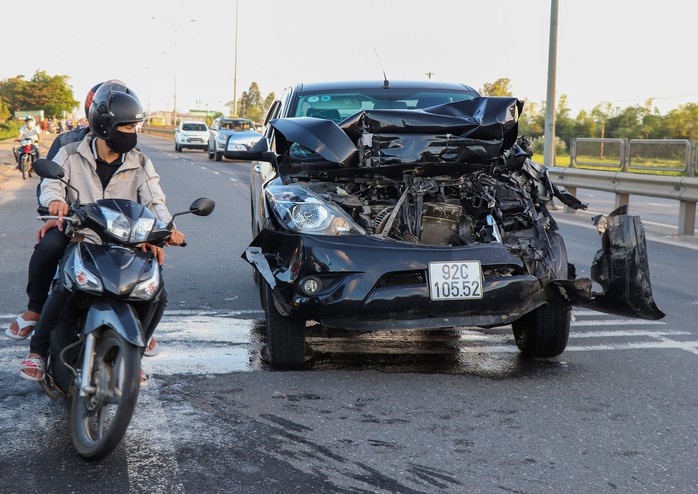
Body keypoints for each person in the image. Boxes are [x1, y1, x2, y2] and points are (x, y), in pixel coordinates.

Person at [8, 80, 183, 383]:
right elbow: (51, 184)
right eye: (127, 128)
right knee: (60, 276)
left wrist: (166, 230)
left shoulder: (141, 162)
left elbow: (155, 201)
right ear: (105, 126)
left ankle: (134, 350)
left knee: (157, 291)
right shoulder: (71, 153)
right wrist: (56, 202)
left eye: (134, 127)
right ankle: (36, 347)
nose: (133, 134)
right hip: (79, 234)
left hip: (125, 240)